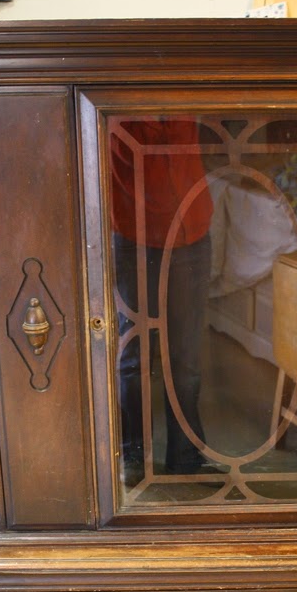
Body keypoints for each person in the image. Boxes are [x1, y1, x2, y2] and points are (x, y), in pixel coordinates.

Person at [110, 117, 217, 486]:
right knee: (133, 353)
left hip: (192, 230)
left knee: (186, 357)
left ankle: (186, 458)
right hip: (134, 232)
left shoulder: (183, 88)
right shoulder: (116, 86)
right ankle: (134, 455)